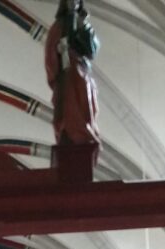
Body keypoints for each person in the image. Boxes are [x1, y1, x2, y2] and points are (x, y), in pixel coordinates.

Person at [44, 0, 100, 146]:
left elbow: (92, 50)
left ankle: (85, 129)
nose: (72, 2)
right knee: (68, 101)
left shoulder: (83, 23)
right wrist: (58, 50)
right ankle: (70, 129)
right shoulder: (58, 26)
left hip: (82, 68)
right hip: (66, 71)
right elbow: (50, 50)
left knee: (85, 95)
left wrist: (84, 25)